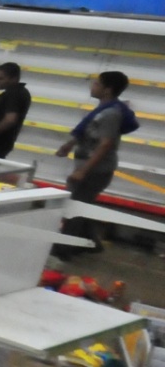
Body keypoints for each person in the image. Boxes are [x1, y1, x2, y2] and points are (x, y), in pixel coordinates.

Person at [55, 70, 137, 248]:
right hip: (91, 168)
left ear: (107, 90)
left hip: (94, 170)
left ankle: (64, 249)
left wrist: (83, 171)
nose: (93, 86)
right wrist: (69, 144)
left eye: (97, 83)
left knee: (74, 209)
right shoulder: (103, 110)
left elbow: (105, 144)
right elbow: (89, 131)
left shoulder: (110, 114)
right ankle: (92, 243)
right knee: (82, 205)